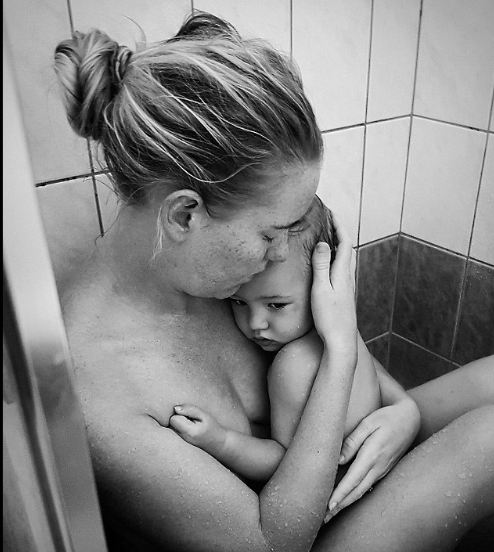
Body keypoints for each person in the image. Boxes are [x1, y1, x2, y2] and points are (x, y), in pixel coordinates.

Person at [54, 11, 494, 552]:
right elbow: (271, 543)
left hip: (336, 467)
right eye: (271, 232)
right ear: (186, 216)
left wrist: (402, 412)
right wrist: (337, 359)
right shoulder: (97, 385)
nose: (283, 252)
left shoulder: (209, 267)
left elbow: (324, 347)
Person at [169, 197, 382, 518]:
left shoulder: (293, 365)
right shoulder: (347, 332)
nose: (256, 324)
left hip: (329, 512)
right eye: (239, 302)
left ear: (319, 287)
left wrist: (222, 441)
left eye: (277, 305)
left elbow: (285, 463)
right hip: (368, 489)